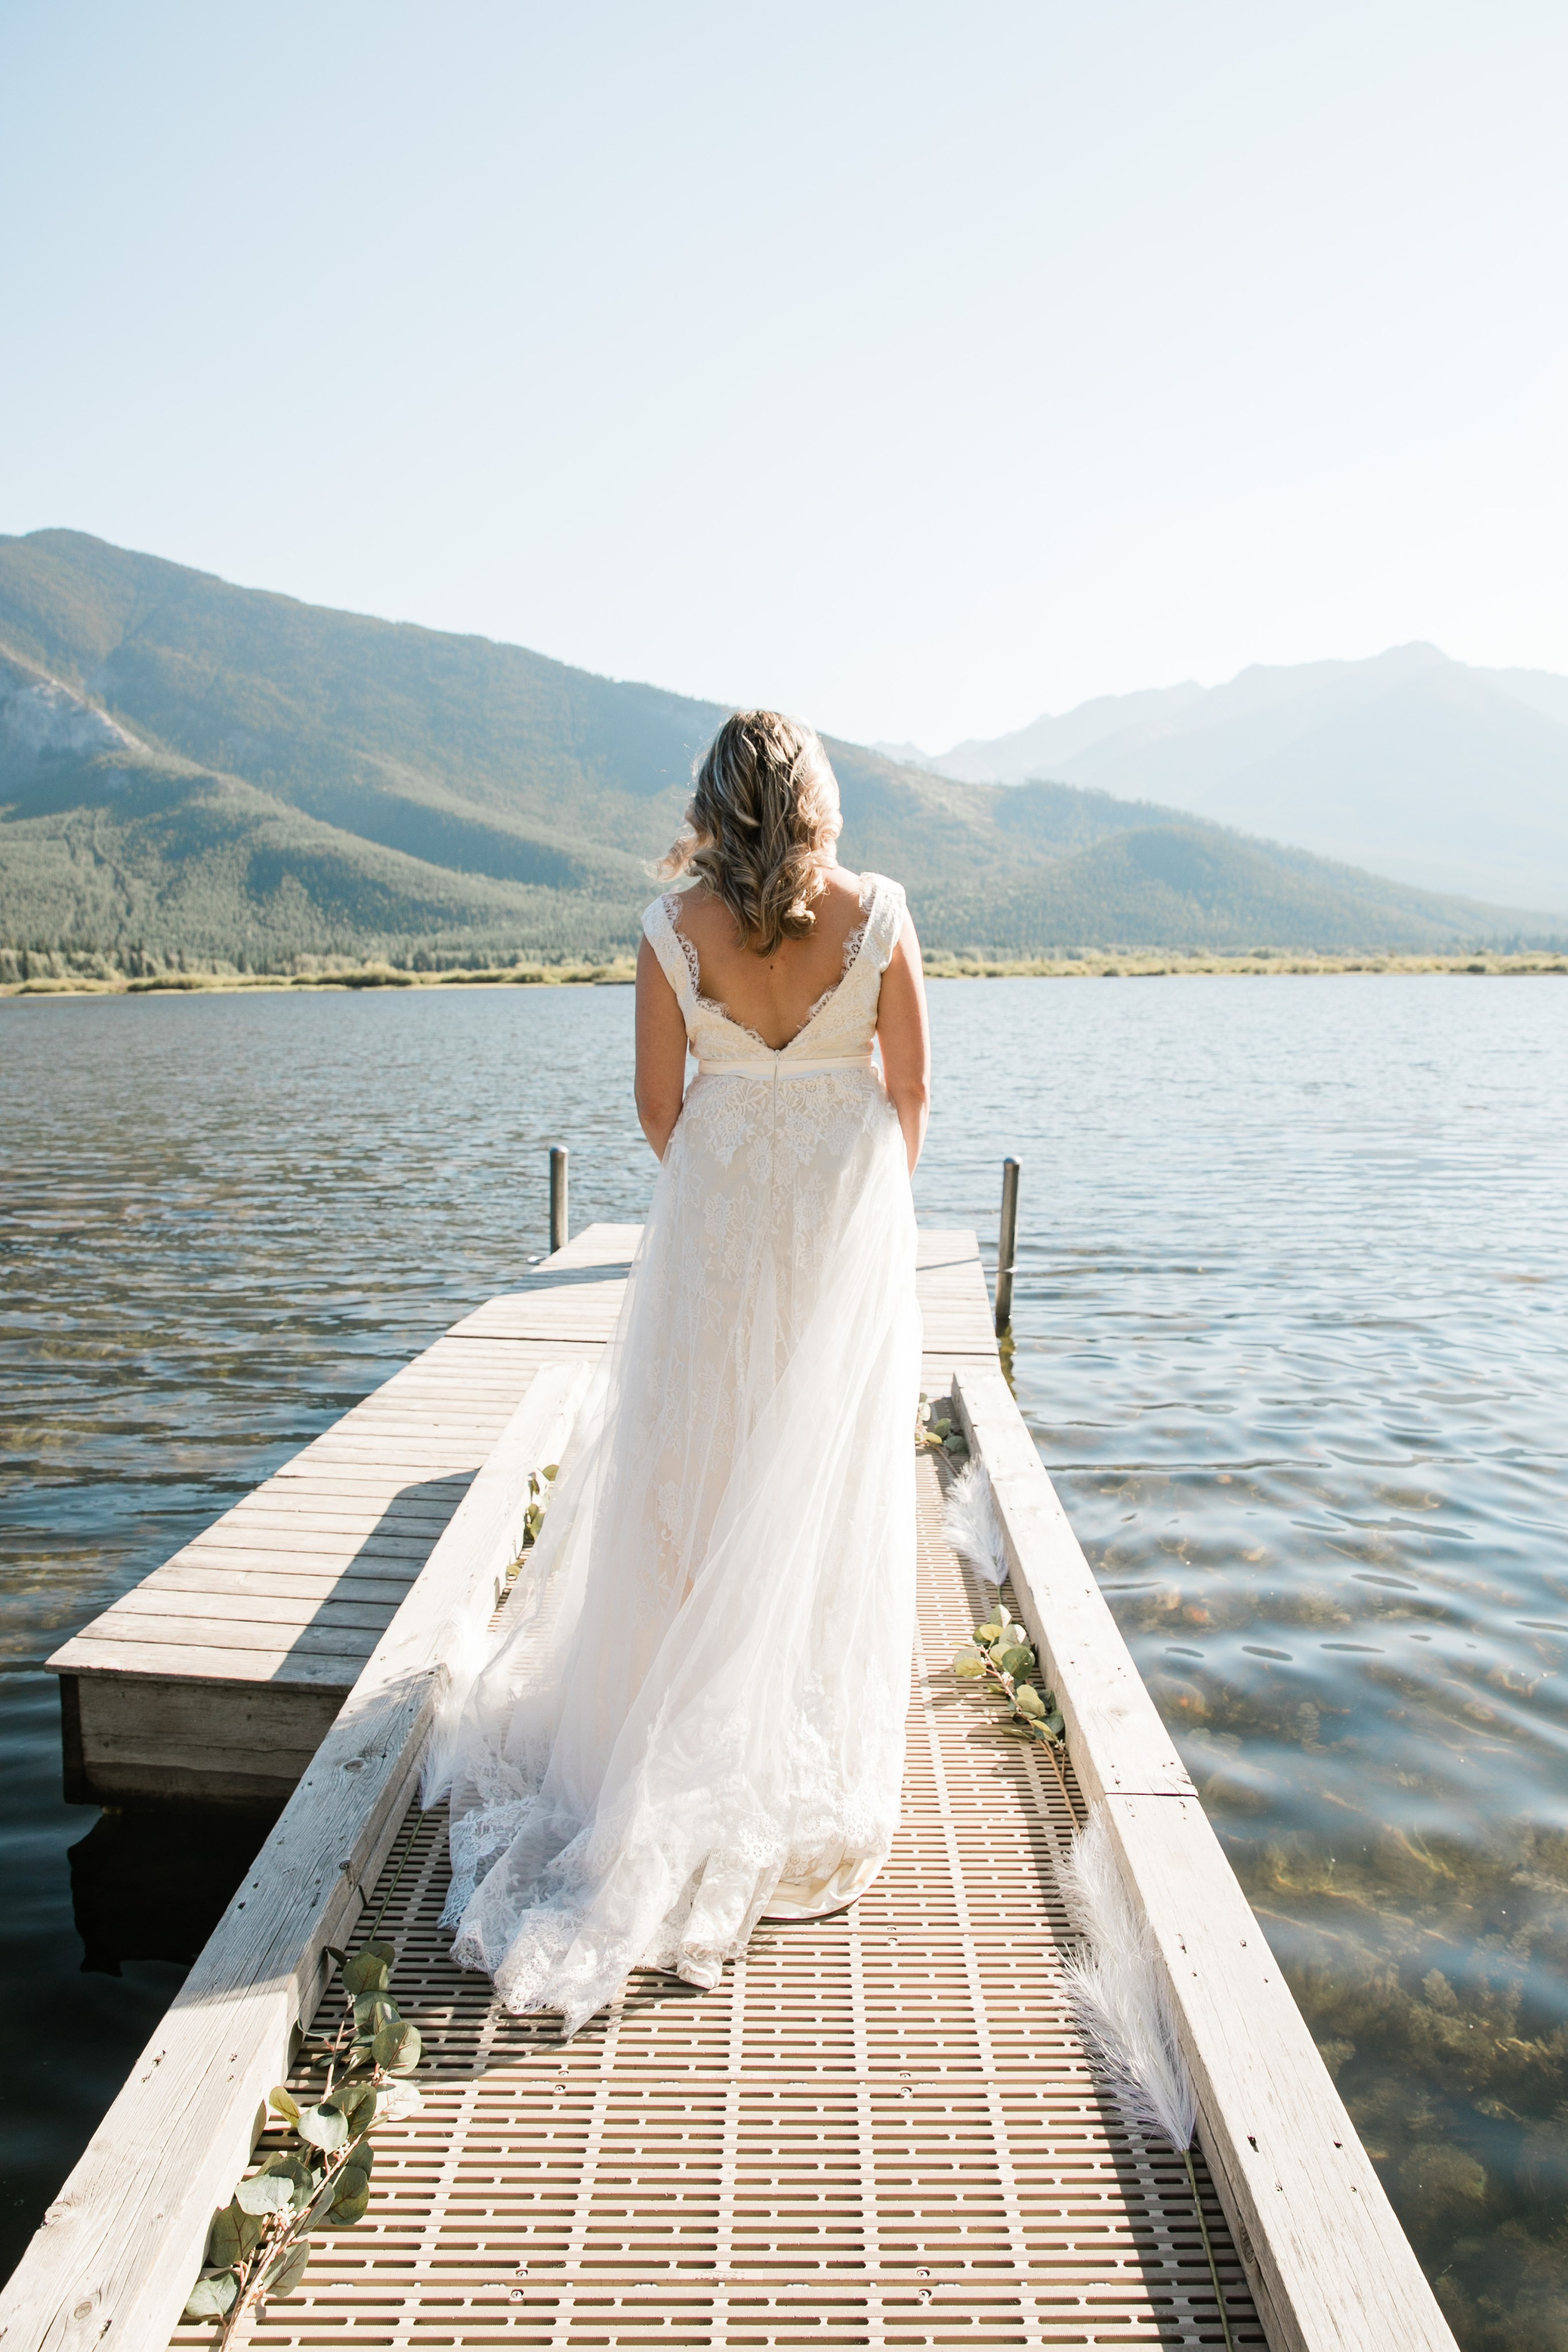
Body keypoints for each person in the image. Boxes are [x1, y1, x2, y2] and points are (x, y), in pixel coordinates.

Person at [431, 710, 931, 2038]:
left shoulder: (670, 928)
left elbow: (659, 1109)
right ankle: (784, 1735)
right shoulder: (878, 913)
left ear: (713, 801)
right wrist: (855, 1219)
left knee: (693, 1472)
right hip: (837, 1234)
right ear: (815, 798)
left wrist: (727, 1192)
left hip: (712, 1233)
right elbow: (910, 1095)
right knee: (817, 1486)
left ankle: (672, 1732)